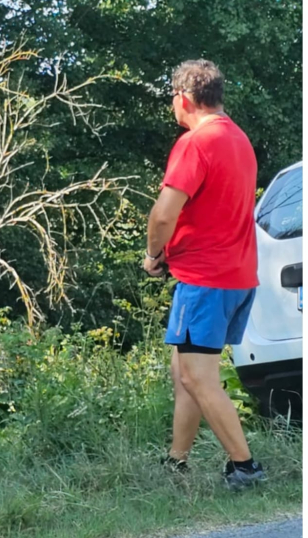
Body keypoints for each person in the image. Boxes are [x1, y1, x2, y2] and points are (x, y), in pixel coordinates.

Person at [143, 59, 264, 489]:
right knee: (186, 373)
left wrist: (154, 252)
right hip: (238, 276)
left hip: (206, 279)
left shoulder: (195, 143)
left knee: (196, 376)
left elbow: (163, 214)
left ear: (183, 98)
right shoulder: (238, 139)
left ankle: (244, 467)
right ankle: (176, 463)